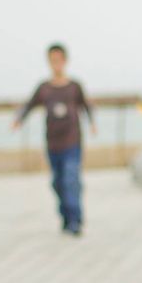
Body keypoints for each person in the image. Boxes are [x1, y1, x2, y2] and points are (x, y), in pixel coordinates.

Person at [12, 44, 95, 235]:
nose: (56, 64)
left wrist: (92, 123)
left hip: (72, 141)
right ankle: (65, 214)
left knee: (71, 178)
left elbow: (86, 105)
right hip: (53, 143)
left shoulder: (75, 86)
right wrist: (18, 119)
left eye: (59, 59)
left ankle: (75, 219)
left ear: (65, 61)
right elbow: (29, 105)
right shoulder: (44, 88)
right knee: (57, 182)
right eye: (52, 60)